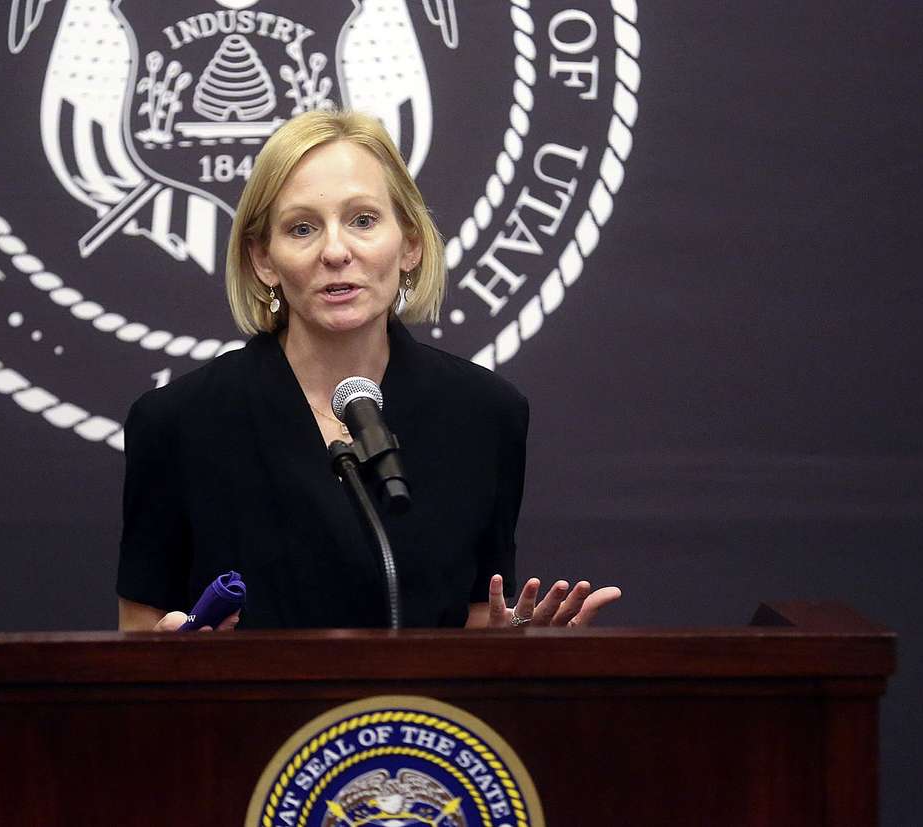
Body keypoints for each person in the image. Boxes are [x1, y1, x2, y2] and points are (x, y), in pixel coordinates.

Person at [117, 110, 620, 632]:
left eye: (362, 220)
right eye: (303, 228)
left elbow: (471, 612)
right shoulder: (177, 423)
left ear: (410, 244)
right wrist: (175, 653)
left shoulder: (486, 415)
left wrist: (511, 647)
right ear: (263, 260)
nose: (336, 251)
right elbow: (138, 634)